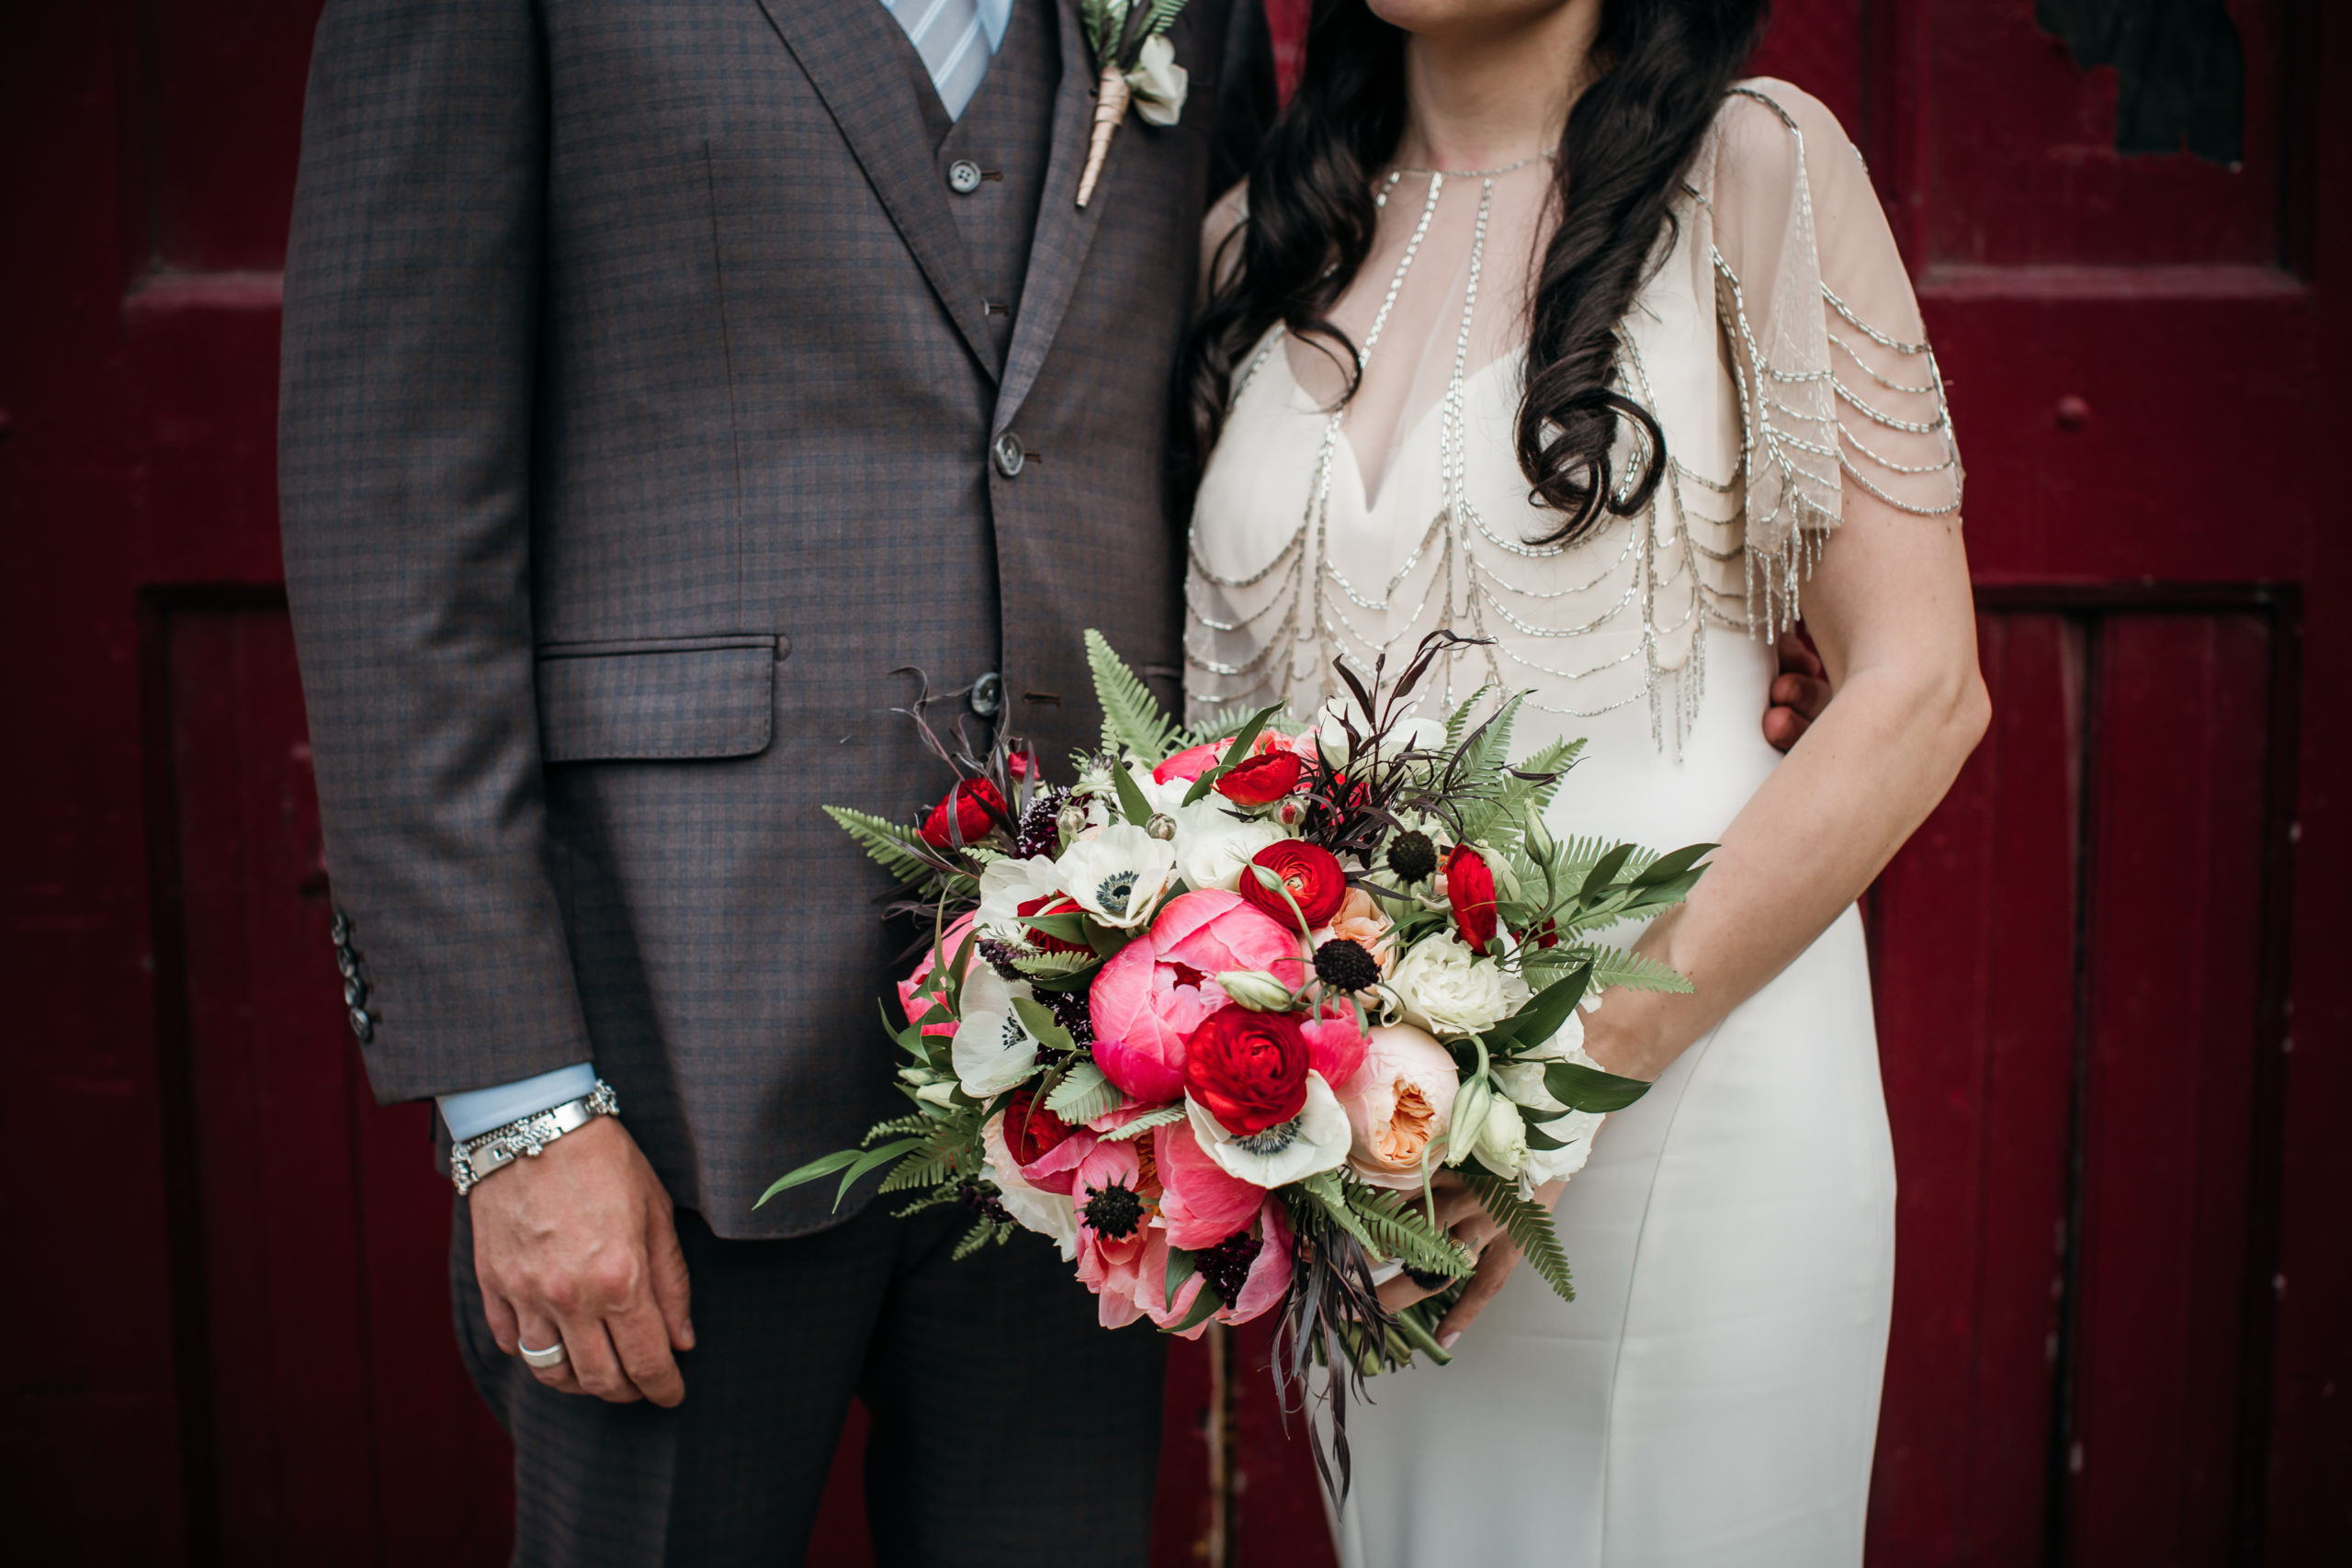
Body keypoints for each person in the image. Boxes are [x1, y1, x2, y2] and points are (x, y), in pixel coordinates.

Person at [277, 1, 1279, 1562]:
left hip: (1101, 1049)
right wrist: (519, 1110)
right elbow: (386, 513)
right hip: (667, 1053)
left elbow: (1258, 378)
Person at [1182, 1, 1986, 1563]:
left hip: (1702, 1105)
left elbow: (1920, 688)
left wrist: (1561, 1084)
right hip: (1383, 1158)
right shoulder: (1252, 244)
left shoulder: (1754, 168)